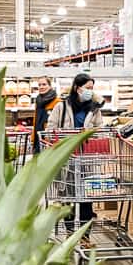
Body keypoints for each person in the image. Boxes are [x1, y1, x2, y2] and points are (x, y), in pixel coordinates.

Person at [47, 73, 105, 242]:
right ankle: (71, 234)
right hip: (67, 158)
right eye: (87, 88)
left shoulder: (94, 109)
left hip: (86, 158)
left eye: (92, 88)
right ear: (77, 88)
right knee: (68, 198)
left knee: (87, 199)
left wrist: (90, 134)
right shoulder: (62, 107)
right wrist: (67, 137)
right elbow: (50, 130)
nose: (90, 91)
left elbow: (100, 129)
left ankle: (85, 237)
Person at [33, 76, 58, 152]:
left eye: (44, 84)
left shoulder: (57, 102)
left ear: (50, 86)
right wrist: (33, 138)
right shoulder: (38, 101)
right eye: (39, 85)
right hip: (38, 137)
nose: (41, 87)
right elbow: (35, 121)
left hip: (50, 139)